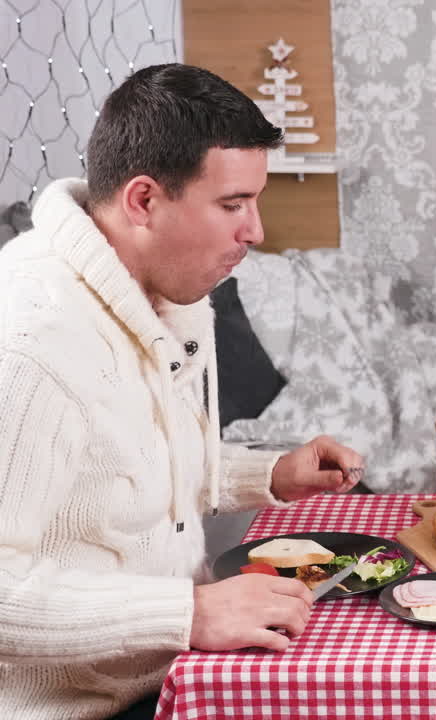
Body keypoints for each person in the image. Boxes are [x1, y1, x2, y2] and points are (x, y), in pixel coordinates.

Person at [0, 64, 366, 720]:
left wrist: (269, 475)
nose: (255, 231)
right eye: (232, 204)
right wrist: (187, 613)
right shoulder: (31, 343)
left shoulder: (164, 290)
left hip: (177, 676)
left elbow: (126, 479)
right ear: (143, 201)